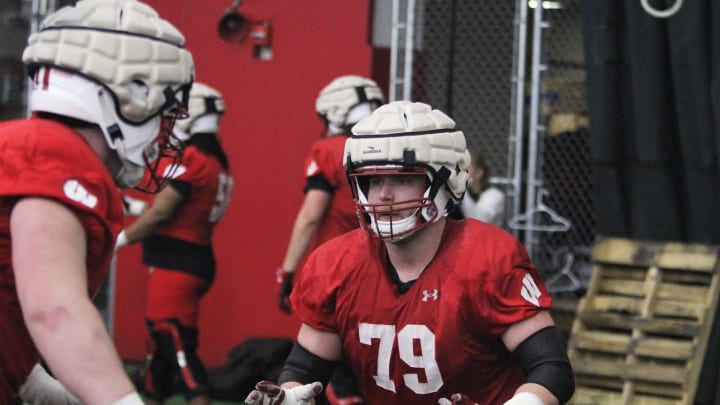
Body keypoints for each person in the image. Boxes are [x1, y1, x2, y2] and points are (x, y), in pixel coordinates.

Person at [246, 101, 575, 405]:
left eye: (402, 179)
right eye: (373, 181)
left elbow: (552, 368)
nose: (384, 195)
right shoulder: (336, 264)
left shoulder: (489, 259)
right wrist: (289, 397)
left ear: (446, 181)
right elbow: (304, 372)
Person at [0, 0, 195, 403]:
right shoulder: (56, 154)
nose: (166, 130)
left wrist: (25, 377)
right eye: (165, 110)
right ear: (132, 92)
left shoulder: (26, 144)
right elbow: (54, 310)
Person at [115, 82, 233, 405]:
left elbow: (164, 211)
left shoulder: (194, 158)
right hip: (189, 258)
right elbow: (179, 210)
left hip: (177, 266)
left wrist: (119, 240)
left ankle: (199, 396)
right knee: (158, 349)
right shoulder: (215, 160)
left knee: (174, 341)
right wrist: (137, 208)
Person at [276, 75, 384, 405]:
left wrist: (288, 271)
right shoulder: (388, 147)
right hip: (391, 270)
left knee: (332, 369)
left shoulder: (329, 150)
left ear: (335, 114)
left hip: (342, 271)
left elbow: (311, 215)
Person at [458, 149, 506, 227]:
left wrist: (460, 189)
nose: (460, 173)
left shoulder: (494, 195)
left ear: (479, 173)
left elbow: (479, 220)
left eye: (465, 169)